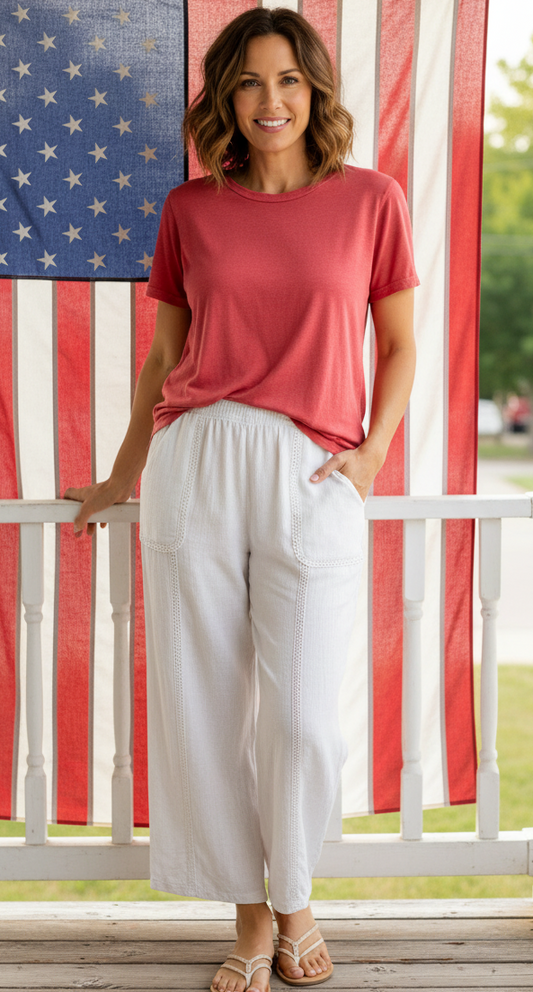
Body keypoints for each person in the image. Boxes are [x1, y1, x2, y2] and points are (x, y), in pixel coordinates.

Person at [65, 7, 419, 992]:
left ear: (316, 92)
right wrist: (122, 472)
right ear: (225, 97)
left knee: (301, 717)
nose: (270, 101)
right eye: (250, 83)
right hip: (197, 461)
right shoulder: (190, 209)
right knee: (204, 705)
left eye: (289, 82)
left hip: (314, 469)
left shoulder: (368, 200)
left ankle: (298, 891)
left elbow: (398, 345)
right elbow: (166, 357)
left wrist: (371, 454)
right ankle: (254, 918)